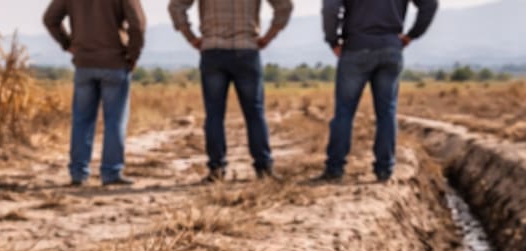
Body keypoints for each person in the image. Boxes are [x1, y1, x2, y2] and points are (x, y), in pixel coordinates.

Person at [169, 0, 293, 182]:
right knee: (255, 113)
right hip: (247, 49)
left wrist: (191, 37)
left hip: (213, 50)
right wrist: (269, 36)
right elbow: (285, 6)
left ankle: (216, 170)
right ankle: (264, 168)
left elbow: (176, 6)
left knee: (214, 114)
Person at [319, 0, 438, 182]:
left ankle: (335, 169)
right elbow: (430, 4)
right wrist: (411, 35)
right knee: (387, 112)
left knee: (344, 112)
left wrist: (333, 40)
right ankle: (384, 170)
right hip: (391, 46)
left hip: (356, 47)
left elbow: (330, 7)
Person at [44, 0, 147, 186]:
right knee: (115, 120)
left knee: (81, 121)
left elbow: (50, 19)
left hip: (84, 63)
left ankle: (78, 173)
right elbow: (137, 24)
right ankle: (111, 172)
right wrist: (133, 55)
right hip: (114, 63)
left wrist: (67, 44)